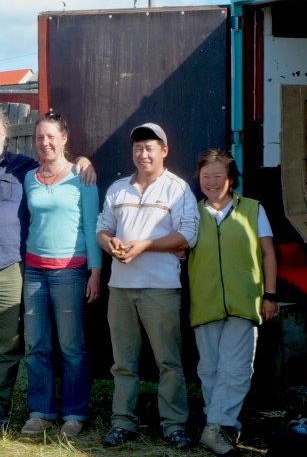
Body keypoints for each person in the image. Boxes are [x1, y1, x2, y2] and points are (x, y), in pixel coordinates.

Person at [0, 105, 95, 432]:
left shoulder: (21, 168)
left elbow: (60, 166)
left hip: (9, 266)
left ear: (5, 136)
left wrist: (83, 160)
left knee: (6, 341)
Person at [96, 123, 198, 450]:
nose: (143, 154)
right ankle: (123, 421)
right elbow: (102, 229)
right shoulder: (117, 189)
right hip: (121, 288)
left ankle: (174, 424)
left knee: (168, 361)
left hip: (161, 288)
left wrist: (146, 245)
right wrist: (110, 243)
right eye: (138, 148)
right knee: (123, 362)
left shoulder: (178, 189)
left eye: (150, 147)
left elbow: (188, 235)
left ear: (164, 151)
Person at [189, 149, 278, 456]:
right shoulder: (191, 212)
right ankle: (223, 428)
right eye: (205, 176)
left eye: (218, 176)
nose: (211, 182)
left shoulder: (253, 209)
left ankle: (213, 429)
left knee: (237, 369)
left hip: (245, 299)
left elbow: (268, 253)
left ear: (230, 179)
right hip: (205, 300)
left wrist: (270, 295)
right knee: (210, 369)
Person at [19, 114, 101, 438]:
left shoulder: (83, 176)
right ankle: (41, 412)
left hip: (70, 271)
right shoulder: (29, 178)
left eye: (51, 137)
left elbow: (92, 227)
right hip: (34, 270)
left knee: (71, 345)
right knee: (35, 343)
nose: (45, 143)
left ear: (64, 139)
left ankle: (75, 413)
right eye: (40, 137)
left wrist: (96, 272)